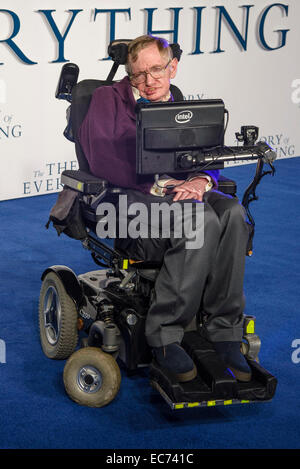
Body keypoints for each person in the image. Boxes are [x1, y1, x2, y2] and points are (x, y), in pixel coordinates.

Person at [78, 35, 252, 383]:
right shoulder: (104, 100)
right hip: (127, 203)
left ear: (172, 66)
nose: (149, 81)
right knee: (200, 220)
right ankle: (165, 335)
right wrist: (161, 186)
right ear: (128, 74)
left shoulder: (179, 103)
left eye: (157, 69)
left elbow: (208, 153)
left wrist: (202, 180)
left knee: (232, 213)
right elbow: (101, 160)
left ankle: (224, 330)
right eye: (138, 74)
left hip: (179, 197)